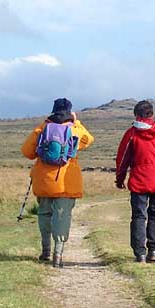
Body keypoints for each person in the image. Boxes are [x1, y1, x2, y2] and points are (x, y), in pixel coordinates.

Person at [21, 98, 94, 267]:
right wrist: (77, 122)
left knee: (44, 214)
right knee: (62, 217)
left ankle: (45, 251)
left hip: (43, 180)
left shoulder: (42, 128)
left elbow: (27, 152)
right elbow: (89, 139)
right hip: (66, 183)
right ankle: (58, 254)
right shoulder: (74, 129)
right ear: (70, 111)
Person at [115, 100, 155, 263]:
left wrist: (120, 178)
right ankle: (154, 251)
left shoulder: (131, 133)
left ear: (136, 115)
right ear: (152, 114)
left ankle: (140, 254)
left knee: (139, 216)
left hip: (139, 180)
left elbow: (122, 159)